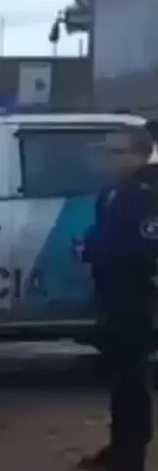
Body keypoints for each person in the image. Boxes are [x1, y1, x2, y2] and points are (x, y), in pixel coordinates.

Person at [78, 126, 158, 471]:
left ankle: (130, 458)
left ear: (140, 153)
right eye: (107, 152)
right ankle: (121, 447)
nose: (109, 159)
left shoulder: (148, 192)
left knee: (132, 385)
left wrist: (97, 249)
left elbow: (145, 247)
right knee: (121, 381)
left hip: (137, 300)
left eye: (117, 152)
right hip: (114, 296)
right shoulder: (115, 190)